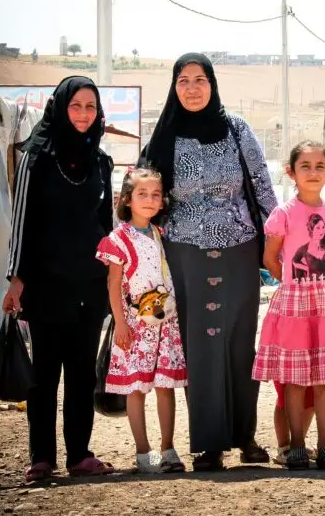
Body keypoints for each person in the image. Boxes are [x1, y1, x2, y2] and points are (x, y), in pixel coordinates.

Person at [139, 52, 276, 471]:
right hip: (185, 251)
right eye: (183, 80)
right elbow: (143, 192)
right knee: (199, 345)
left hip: (240, 246)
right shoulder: (164, 135)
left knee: (239, 342)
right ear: (174, 86)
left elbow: (262, 184)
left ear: (212, 84)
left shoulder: (236, 129)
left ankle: (245, 437)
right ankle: (209, 442)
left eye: (200, 79)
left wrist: (275, 241)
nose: (192, 88)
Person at [1, 76, 116, 481]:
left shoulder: (101, 161)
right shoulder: (37, 156)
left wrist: (116, 277)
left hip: (89, 282)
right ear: (60, 108)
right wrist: (16, 278)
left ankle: (79, 454)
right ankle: (42, 458)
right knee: (45, 374)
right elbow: (20, 223)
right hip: (45, 282)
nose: (84, 115)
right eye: (76, 106)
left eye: (90, 107)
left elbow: (108, 227)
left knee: (83, 372)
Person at [252, 141, 325, 471]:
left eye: (320, 166)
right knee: (295, 378)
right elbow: (270, 257)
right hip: (295, 304)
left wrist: (322, 284)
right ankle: (297, 447)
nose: (313, 172)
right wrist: (292, 284)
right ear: (291, 173)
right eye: (305, 166)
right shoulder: (283, 213)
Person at [95, 168, 187, 473]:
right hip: (134, 326)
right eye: (142, 194)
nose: (150, 200)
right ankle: (143, 452)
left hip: (165, 325)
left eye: (155, 194)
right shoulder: (118, 239)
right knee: (136, 388)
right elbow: (113, 284)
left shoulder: (162, 234)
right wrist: (120, 323)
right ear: (127, 200)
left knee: (165, 386)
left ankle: (168, 448)